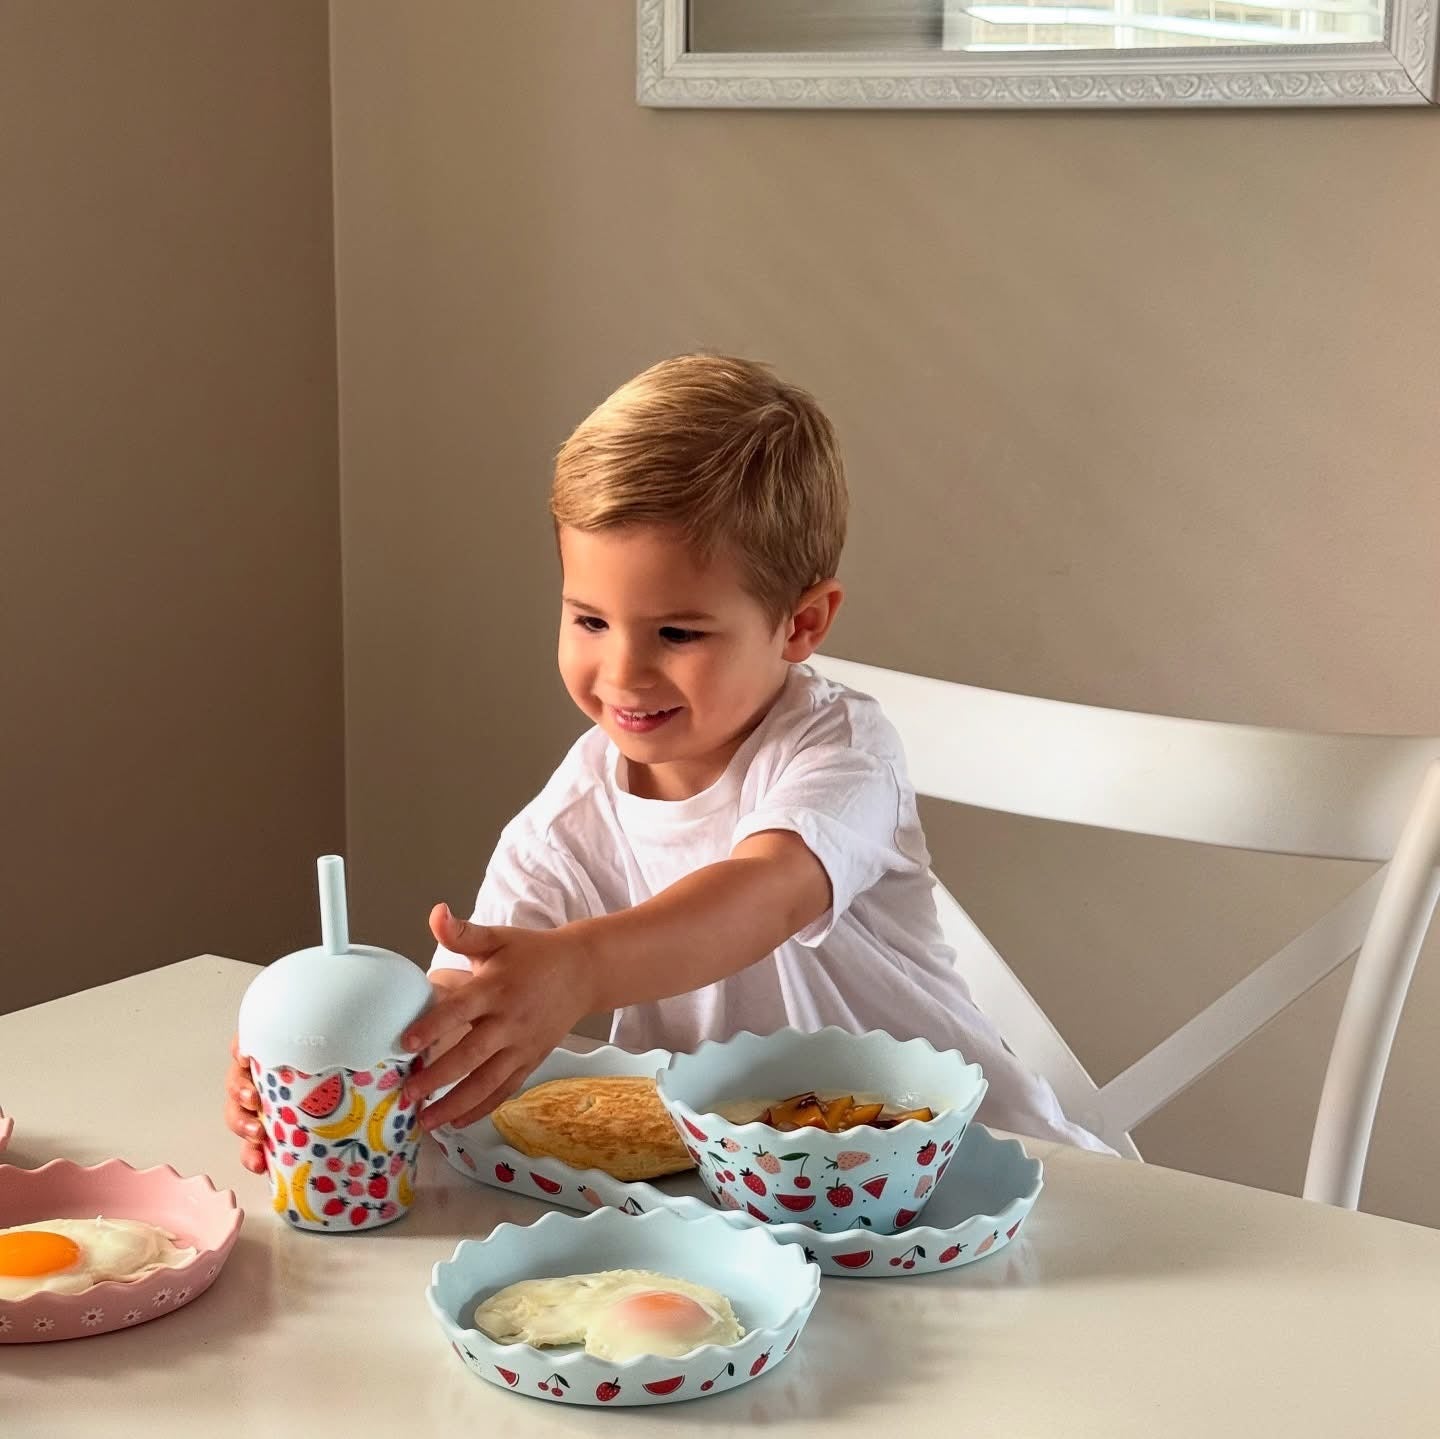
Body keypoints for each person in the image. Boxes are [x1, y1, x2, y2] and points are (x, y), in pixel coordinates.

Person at [225, 354, 1106, 1171]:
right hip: (759, 1193)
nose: (622, 673)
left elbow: (760, 894)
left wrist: (578, 966)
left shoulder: (839, 750)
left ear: (801, 623)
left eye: (676, 633)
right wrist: (331, 1059)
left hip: (975, 1168)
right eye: (588, 620)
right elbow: (473, 1003)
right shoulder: (574, 814)